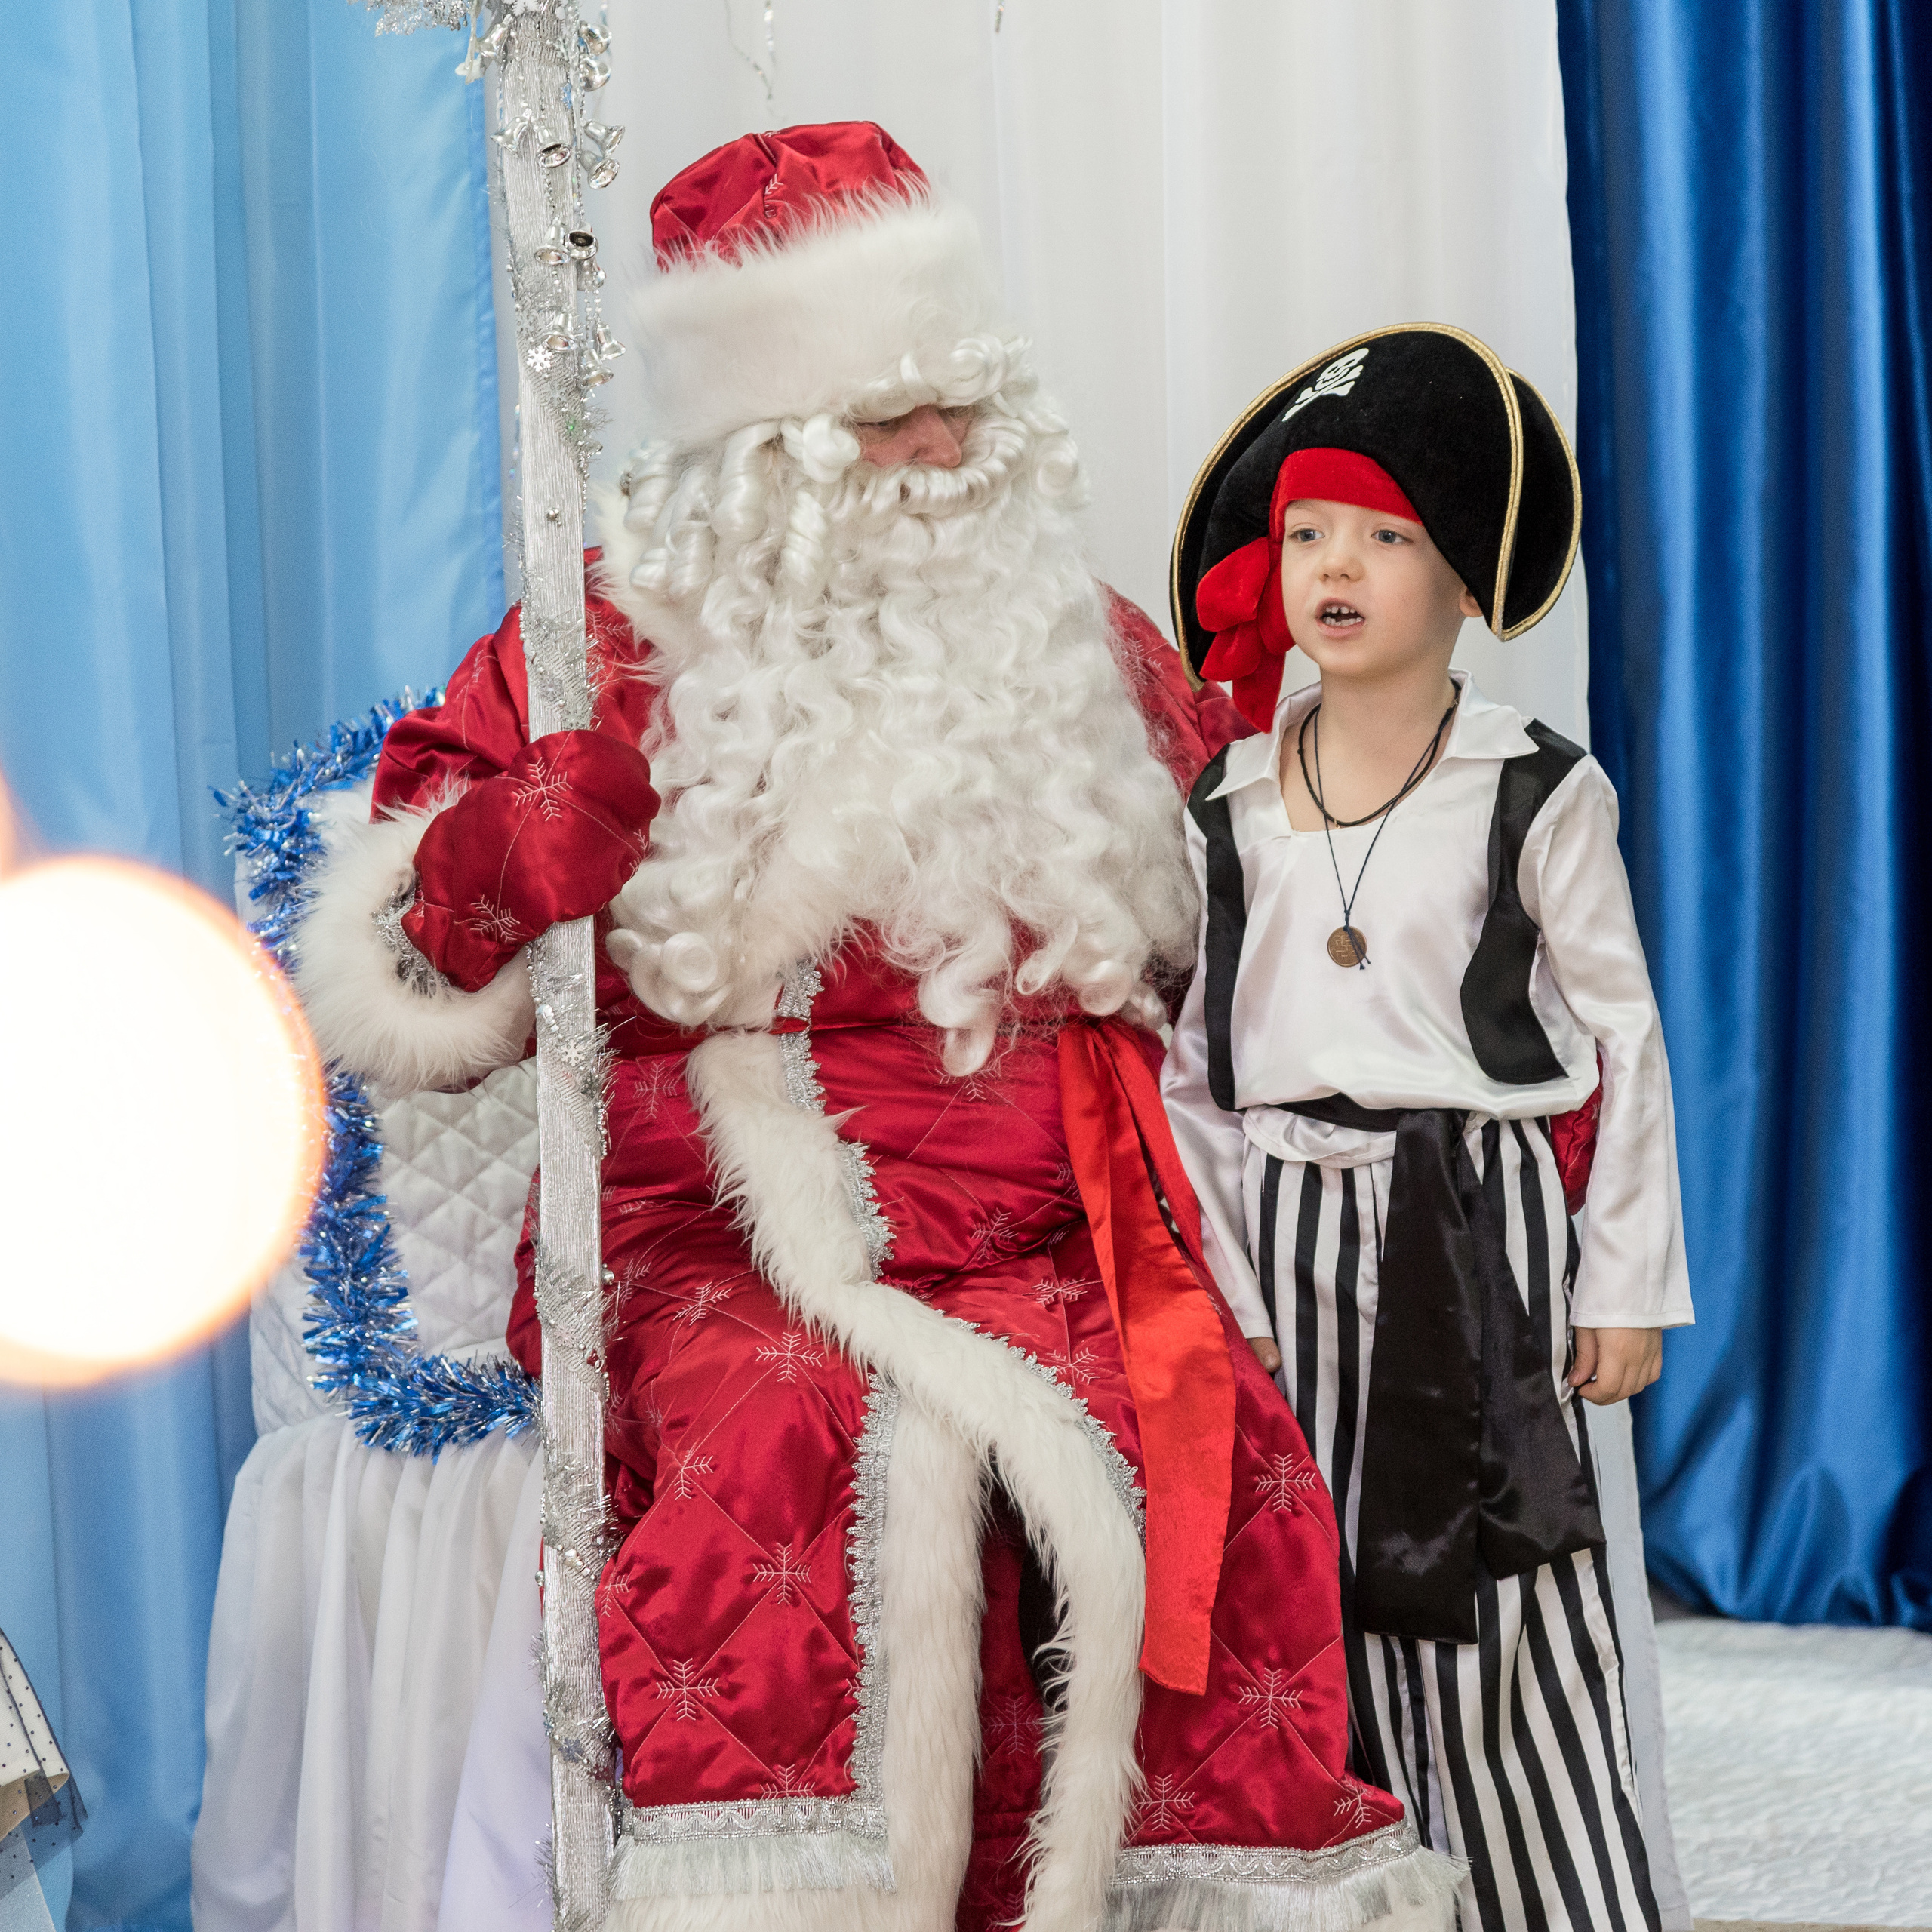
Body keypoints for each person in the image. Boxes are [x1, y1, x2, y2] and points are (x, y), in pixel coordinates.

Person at [293, 127, 1460, 1932]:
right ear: (756, 453)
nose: (939, 459)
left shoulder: (1081, 645)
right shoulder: (586, 643)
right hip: (733, 1207)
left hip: (1060, 1200)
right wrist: (490, 863)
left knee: (1200, 1429)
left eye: (963, 408)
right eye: (884, 420)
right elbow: (407, 982)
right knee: (803, 1424)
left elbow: (1259, 914)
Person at [1161, 325, 1694, 1932]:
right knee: (1301, 1582)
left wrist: (1620, 1283)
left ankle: (1552, 1894)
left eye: (1387, 537)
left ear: (1463, 578)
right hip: (1280, 1235)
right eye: (1311, 532)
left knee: (1503, 1586)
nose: (1337, 566)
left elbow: (1622, 1036)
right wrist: (1217, 1272)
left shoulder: (1535, 783)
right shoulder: (1227, 797)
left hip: (1475, 1229)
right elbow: (1189, 1055)